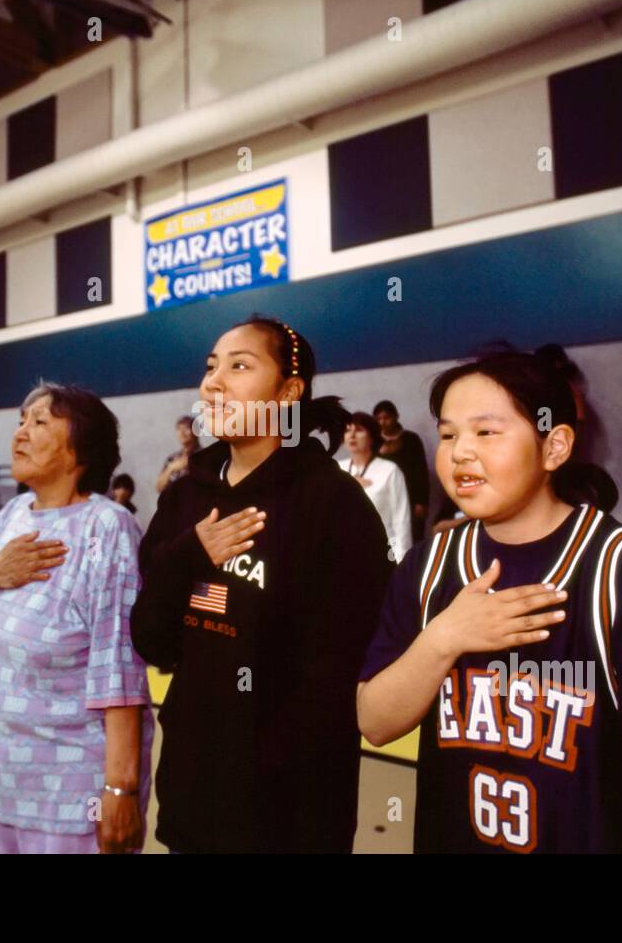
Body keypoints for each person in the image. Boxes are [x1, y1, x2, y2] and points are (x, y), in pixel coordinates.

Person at [357, 351, 622, 853]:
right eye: (447, 435)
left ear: (554, 447)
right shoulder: (427, 565)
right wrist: (443, 638)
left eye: (486, 432)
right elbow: (375, 723)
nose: (460, 452)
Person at [130, 314, 393, 853]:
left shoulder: (334, 505)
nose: (214, 382)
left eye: (239, 366)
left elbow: (336, 680)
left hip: (290, 815)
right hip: (193, 798)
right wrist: (187, 559)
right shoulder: (184, 497)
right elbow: (151, 641)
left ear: (289, 391)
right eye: (210, 368)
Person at [0, 383, 152, 854]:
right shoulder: (11, 516)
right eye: (21, 420)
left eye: (39, 422)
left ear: (80, 447)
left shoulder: (108, 527)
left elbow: (117, 665)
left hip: (73, 796)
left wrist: (120, 789)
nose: (20, 433)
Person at [338, 411, 412, 562]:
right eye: (347, 430)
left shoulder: (389, 470)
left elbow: (401, 521)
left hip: (381, 553)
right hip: (344, 554)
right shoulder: (338, 469)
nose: (351, 435)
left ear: (372, 437)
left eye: (358, 430)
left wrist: (401, 562)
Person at [373, 400, 430, 543]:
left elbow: (421, 471)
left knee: (414, 536)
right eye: (378, 419)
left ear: (396, 416)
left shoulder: (411, 439)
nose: (383, 422)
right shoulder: (374, 441)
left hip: (411, 496)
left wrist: (421, 501)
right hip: (386, 497)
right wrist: (380, 453)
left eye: (386, 418)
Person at [154, 416, 201, 494]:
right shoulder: (172, 459)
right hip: (174, 503)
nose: (182, 433)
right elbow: (159, 488)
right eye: (179, 429)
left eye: (186, 428)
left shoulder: (205, 455)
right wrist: (170, 469)